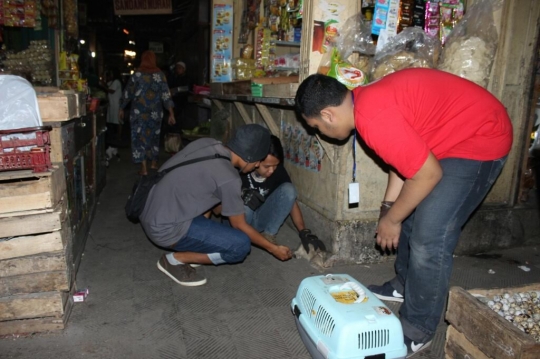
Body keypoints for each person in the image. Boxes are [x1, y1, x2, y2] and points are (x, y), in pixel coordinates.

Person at [294, 68, 513, 357]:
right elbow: (403, 162)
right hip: (451, 137)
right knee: (406, 209)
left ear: (328, 115)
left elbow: (426, 174)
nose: (320, 132)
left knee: (428, 237)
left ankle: (418, 327)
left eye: (316, 127)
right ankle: (406, 283)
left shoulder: (372, 118)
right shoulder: (364, 103)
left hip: (480, 137)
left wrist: (393, 219)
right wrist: (389, 211)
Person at [139, 124, 293, 287]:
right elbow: (239, 225)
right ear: (248, 157)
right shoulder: (229, 177)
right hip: (165, 229)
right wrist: (272, 248)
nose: (256, 166)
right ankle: (175, 260)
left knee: (217, 221)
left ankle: (197, 246)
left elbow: (212, 202)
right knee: (240, 246)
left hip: (150, 209)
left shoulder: (207, 143)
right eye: (257, 161)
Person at [240, 135, 326, 252]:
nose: (271, 170)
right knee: (245, 203)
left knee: (289, 189)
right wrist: (240, 195)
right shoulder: (241, 169)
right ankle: (240, 238)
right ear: (256, 160)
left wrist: (303, 231)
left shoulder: (277, 171)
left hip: (259, 219)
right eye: (267, 166)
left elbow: (290, 199)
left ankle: (269, 235)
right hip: (240, 221)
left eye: (275, 165)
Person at [119, 50, 175, 175]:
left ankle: (144, 168)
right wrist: (171, 113)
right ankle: (154, 163)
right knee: (154, 137)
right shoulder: (160, 75)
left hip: (139, 113)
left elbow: (128, 93)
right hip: (156, 113)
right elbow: (166, 95)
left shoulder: (137, 75)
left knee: (140, 138)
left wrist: (121, 107)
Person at [167, 61, 192, 130]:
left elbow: (186, 88)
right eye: (177, 68)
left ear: (184, 69)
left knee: (181, 120)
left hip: (182, 102)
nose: (178, 70)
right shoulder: (174, 77)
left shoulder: (187, 78)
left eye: (180, 68)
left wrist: (175, 90)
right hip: (174, 102)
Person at [101, 68, 123, 143]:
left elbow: (111, 91)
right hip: (113, 104)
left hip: (116, 104)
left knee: (117, 121)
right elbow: (106, 84)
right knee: (113, 120)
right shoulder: (112, 82)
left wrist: (103, 87)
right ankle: (115, 136)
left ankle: (119, 136)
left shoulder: (116, 82)